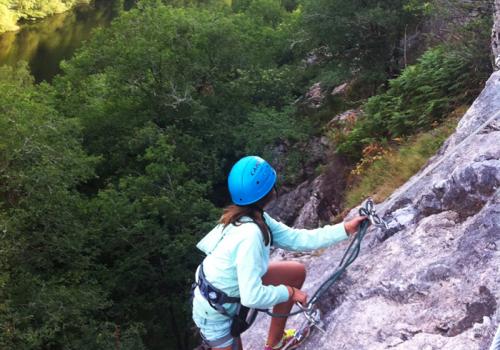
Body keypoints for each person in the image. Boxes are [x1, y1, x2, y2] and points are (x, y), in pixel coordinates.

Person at [192, 156, 367, 350]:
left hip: (227, 291)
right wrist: (290, 293)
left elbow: (297, 239)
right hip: (216, 314)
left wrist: (345, 229)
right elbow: (252, 297)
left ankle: (275, 343)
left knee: (294, 273)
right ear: (269, 191)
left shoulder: (250, 218)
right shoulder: (249, 234)